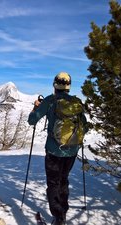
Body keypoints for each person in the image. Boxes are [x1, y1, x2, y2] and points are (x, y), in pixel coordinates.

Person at [28, 72, 87, 225]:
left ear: (54, 85)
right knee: (63, 180)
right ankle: (63, 211)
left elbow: (32, 121)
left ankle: (58, 217)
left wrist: (35, 108)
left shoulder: (50, 101)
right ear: (69, 86)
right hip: (71, 151)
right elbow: (85, 126)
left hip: (54, 150)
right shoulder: (76, 103)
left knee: (53, 183)